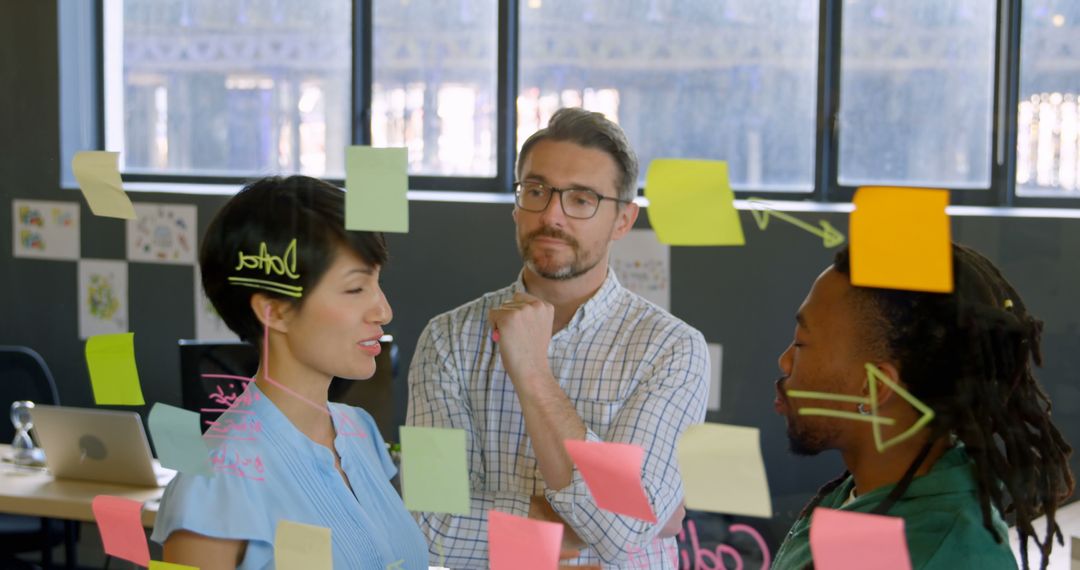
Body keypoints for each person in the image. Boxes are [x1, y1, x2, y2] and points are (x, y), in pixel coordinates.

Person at [407, 108, 709, 569]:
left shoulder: (671, 349)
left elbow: (624, 531)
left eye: (582, 199)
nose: (551, 214)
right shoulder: (448, 339)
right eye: (536, 190)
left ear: (623, 220)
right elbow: (431, 526)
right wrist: (586, 527)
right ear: (517, 202)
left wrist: (532, 373)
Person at [152, 176, 429, 569]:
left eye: (377, 283)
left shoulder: (359, 432)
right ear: (274, 310)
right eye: (355, 289)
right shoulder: (212, 484)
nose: (383, 311)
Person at [771, 244, 1074, 569]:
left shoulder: (932, 554)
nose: (785, 361)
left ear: (874, 387)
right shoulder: (882, 494)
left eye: (801, 343)